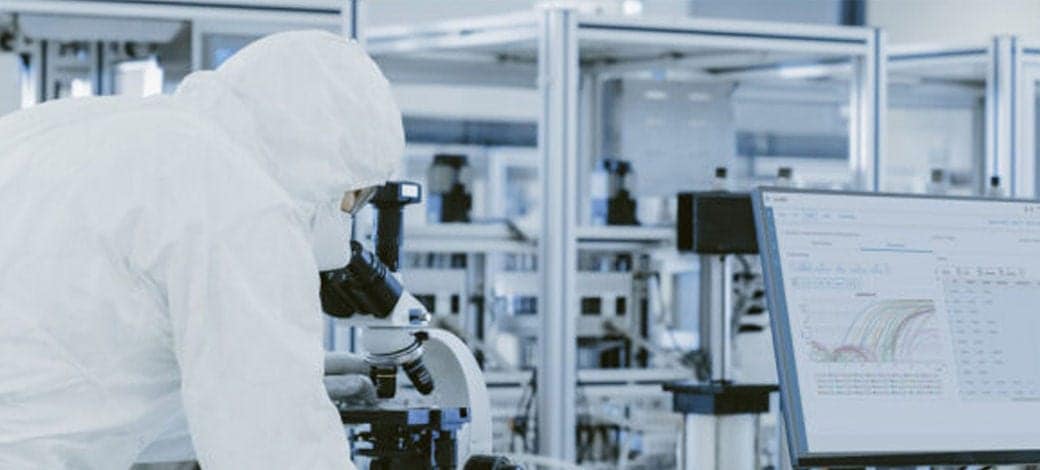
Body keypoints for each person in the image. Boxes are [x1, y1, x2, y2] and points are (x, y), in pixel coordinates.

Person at [0, 30, 402, 469]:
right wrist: (277, 396)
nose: (348, 212)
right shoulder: (245, 200)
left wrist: (265, 377)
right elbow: (277, 456)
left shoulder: (82, 126)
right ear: (331, 170)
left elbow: (76, 396)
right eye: (355, 197)